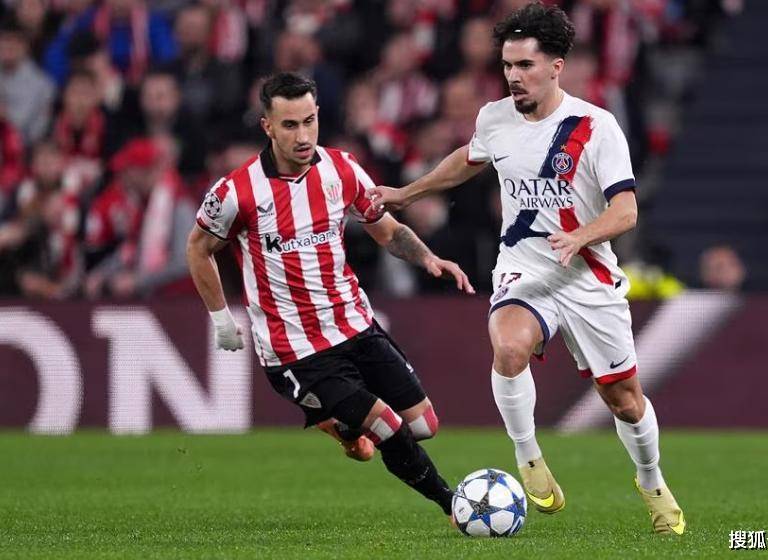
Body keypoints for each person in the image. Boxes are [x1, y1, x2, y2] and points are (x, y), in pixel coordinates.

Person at [368, 3, 685, 535]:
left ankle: (652, 480)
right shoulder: (495, 118)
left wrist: (581, 235)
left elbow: (626, 211)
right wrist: (408, 192)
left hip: (586, 276)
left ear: (556, 67)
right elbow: (468, 159)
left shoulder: (595, 126)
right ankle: (528, 455)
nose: (513, 76)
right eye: (507, 65)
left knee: (625, 402)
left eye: (525, 65)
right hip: (524, 268)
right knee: (509, 347)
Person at [185, 72, 473, 519]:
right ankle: (456, 507)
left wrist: (428, 258)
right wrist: (222, 320)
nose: (303, 136)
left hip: (355, 325)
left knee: (423, 425)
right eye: (289, 125)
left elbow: (386, 230)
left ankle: (343, 426)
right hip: (296, 349)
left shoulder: (342, 169)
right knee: (388, 427)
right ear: (267, 126)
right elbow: (198, 248)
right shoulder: (236, 191)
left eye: (309, 121)